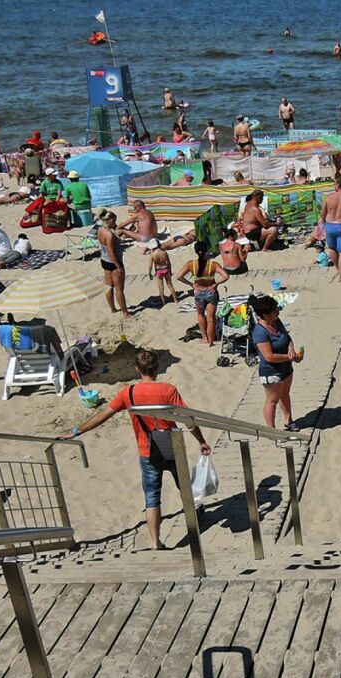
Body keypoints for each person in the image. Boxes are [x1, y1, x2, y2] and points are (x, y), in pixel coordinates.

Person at [61, 350, 210, 552]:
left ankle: (155, 542)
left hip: (147, 449)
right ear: (157, 368)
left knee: (152, 497)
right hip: (170, 444)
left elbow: (104, 415)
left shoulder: (128, 393)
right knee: (184, 486)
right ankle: (194, 520)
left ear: (137, 370)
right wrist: (201, 440)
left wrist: (77, 431)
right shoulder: (168, 389)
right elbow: (187, 419)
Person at [250, 294, 302, 431]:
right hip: (271, 371)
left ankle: (288, 420)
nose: (278, 312)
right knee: (272, 401)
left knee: (285, 395)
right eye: (274, 311)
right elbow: (269, 357)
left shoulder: (276, 321)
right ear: (265, 315)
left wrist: (291, 349)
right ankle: (272, 431)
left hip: (286, 368)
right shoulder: (259, 333)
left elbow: (287, 337)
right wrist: (290, 357)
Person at [97, 210, 129, 317]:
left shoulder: (100, 230)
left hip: (104, 260)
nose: (115, 223)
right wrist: (118, 265)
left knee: (109, 286)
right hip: (113, 261)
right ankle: (125, 312)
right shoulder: (109, 234)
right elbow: (111, 251)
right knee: (119, 289)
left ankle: (113, 309)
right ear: (110, 220)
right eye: (114, 221)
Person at [144, 239, 177, 305]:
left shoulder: (152, 255)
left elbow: (150, 266)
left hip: (159, 271)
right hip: (166, 269)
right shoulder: (164, 252)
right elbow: (169, 263)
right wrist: (170, 271)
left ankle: (163, 302)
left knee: (161, 287)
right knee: (170, 285)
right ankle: (175, 300)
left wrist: (149, 274)